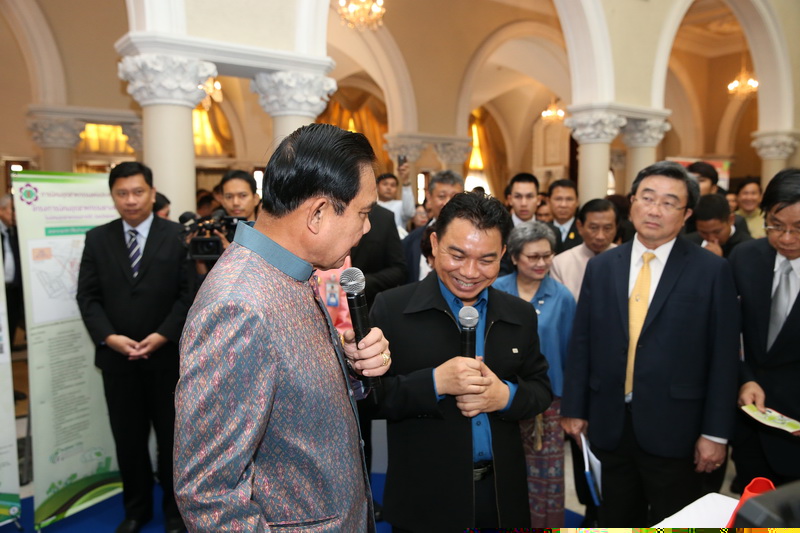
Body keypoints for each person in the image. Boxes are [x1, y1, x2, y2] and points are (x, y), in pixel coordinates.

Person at [174, 123, 392, 532]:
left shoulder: (289, 273)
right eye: (363, 213)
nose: (366, 228)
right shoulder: (239, 306)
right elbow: (209, 496)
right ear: (318, 213)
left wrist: (349, 366)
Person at [560, 161, 740, 525]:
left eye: (669, 202)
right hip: (609, 424)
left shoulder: (711, 270)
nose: (655, 209)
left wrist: (715, 434)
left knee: (674, 521)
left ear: (686, 214)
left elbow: (723, 358)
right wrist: (575, 407)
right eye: (647, 197)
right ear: (632, 202)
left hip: (677, 429)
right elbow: (582, 342)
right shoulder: (603, 266)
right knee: (614, 520)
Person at [371, 192, 552, 531]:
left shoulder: (519, 314)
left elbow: (541, 389)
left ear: (503, 254)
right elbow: (371, 399)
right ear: (435, 243)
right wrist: (435, 383)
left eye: (486, 260)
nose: (469, 272)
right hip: (425, 497)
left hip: (501, 494)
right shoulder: (392, 309)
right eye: (457, 255)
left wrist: (505, 396)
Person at [76, 161, 195, 533]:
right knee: (128, 440)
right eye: (122, 193)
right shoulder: (97, 238)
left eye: (138, 192)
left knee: (172, 440)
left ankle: (175, 513)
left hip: (167, 358)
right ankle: (136, 510)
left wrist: (163, 335)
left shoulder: (178, 236)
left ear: (152, 193)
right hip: (118, 360)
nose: (130, 200)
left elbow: (189, 294)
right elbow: (87, 297)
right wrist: (109, 337)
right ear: (112, 196)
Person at [493, 221, 575, 527]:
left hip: (548, 402)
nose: (541, 263)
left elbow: (571, 354)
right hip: (502, 397)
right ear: (514, 257)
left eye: (547, 255)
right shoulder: (496, 290)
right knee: (505, 470)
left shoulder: (562, 297)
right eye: (533, 256)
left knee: (546, 476)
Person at [729, 168, 800, 489]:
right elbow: (728, 332)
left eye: (799, 228)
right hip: (751, 421)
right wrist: (745, 378)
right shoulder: (745, 257)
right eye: (776, 225)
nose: (786, 238)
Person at [402, 170, 464, 283]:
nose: (448, 202)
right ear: (429, 198)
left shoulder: (477, 238)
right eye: (441, 196)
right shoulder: (411, 240)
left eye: (455, 196)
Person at [550, 199, 618, 302]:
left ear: (616, 227)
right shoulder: (560, 263)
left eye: (607, 228)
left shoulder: (627, 259)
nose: (600, 236)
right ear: (580, 226)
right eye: (593, 228)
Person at [685, 193, 752, 258]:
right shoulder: (688, 243)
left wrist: (717, 261)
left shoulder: (748, 247)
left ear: (731, 220)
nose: (711, 238)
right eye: (704, 233)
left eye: (717, 232)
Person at [0, 194, 23, 349]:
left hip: (13, 288)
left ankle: (8, 347)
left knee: (12, 319)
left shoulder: (15, 232)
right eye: (12, 210)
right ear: (1, 210)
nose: (15, 214)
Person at [376, 165, 415, 231]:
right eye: (385, 184)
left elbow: (410, 213)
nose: (389, 188)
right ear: (377, 187)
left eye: (393, 185)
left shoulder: (400, 205)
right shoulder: (371, 205)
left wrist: (406, 180)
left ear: (397, 189)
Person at [548, 179, 582, 253]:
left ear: (577, 202)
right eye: (558, 199)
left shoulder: (583, 231)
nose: (563, 205)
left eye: (569, 199)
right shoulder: (543, 229)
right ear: (549, 201)